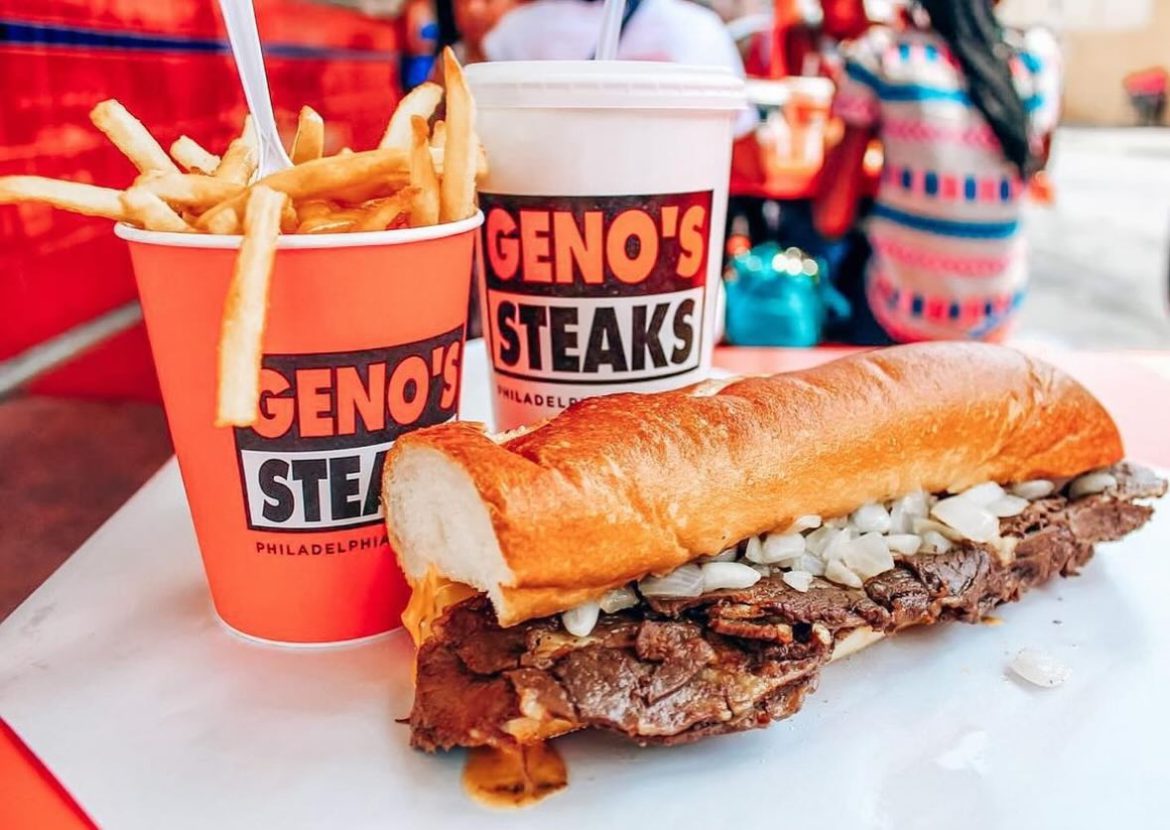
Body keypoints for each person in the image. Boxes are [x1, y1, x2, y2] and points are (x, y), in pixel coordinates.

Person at [814, 0, 1061, 343]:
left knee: (815, 246)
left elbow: (831, 217)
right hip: (995, 317)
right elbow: (1035, 165)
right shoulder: (1034, 60)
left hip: (899, 312)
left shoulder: (884, 56)